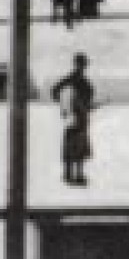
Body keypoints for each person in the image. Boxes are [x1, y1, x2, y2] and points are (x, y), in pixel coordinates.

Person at [52, 53, 96, 187]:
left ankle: (73, 175)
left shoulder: (77, 79)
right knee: (75, 146)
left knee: (75, 146)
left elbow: (56, 91)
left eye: (84, 64)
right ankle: (72, 175)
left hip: (79, 117)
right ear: (78, 64)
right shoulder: (73, 79)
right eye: (82, 64)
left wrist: (70, 107)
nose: (83, 66)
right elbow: (56, 91)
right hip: (75, 117)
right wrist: (67, 106)